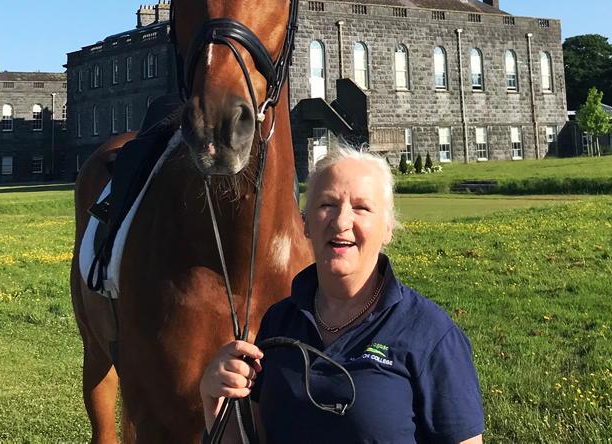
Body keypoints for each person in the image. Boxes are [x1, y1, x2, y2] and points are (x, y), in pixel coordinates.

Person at [200, 145, 485, 443]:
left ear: (387, 228)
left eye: (361, 208)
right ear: (305, 222)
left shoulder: (431, 334)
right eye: (327, 204)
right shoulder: (280, 321)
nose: (341, 222)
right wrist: (213, 400)